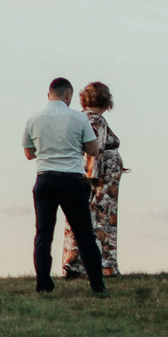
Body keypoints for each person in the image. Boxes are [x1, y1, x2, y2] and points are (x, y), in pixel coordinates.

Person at [23, 77, 105, 294]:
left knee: (43, 234)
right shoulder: (78, 118)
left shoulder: (33, 119)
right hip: (72, 179)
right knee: (84, 234)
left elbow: (29, 154)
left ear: (49, 94)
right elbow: (93, 150)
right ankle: (97, 285)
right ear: (68, 95)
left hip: (45, 178)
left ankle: (43, 285)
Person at [63, 80, 124, 278]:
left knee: (81, 219)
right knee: (101, 219)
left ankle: (75, 264)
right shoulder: (95, 120)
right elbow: (95, 151)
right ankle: (103, 265)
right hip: (99, 180)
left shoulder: (79, 118)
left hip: (84, 174)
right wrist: (94, 178)